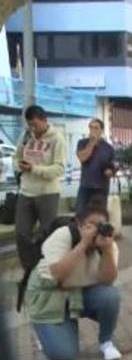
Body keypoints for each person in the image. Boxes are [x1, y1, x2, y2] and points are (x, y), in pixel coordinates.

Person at [25, 198, 122, 360]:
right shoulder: (63, 236)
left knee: (110, 295)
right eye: (92, 225)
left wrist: (106, 251)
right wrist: (83, 244)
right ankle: (44, 331)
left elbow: (107, 280)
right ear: (79, 223)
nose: (97, 230)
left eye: (102, 225)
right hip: (51, 297)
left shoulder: (107, 244)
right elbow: (58, 275)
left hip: (80, 294)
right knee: (64, 355)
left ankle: (106, 342)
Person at [14, 105, 66, 270]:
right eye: (30, 125)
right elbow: (16, 157)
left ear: (44, 120)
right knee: (21, 234)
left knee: (48, 234)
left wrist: (34, 169)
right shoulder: (26, 136)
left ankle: (46, 269)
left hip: (47, 194)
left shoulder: (57, 139)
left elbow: (59, 168)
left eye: (35, 125)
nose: (33, 129)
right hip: (25, 192)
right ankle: (28, 269)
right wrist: (19, 166)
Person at [75, 118, 116, 214]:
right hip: (85, 185)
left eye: (96, 128)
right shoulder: (82, 143)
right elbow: (82, 158)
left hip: (101, 187)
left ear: (101, 130)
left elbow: (112, 166)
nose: (93, 130)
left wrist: (110, 172)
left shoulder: (108, 148)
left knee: (99, 215)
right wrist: (92, 143)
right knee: (81, 214)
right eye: (91, 127)